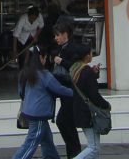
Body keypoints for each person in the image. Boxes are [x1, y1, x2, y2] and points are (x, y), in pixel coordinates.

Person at [13, 45, 73, 159]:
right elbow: (59, 89)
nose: (45, 60)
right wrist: (74, 92)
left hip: (28, 111)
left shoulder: (23, 73)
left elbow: (20, 93)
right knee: (31, 143)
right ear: (40, 57)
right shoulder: (44, 75)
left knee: (47, 140)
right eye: (45, 57)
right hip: (39, 114)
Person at [70, 44, 110, 159]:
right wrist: (106, 105)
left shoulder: (75, 69)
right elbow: (94, 95)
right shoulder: (86, 71)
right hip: (88, 113)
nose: (92, 55)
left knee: (94, 147)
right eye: (91, 53)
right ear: (87, 56)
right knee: (94, 147)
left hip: (79, 110)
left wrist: (94, 74)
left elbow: (82, 84)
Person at [52, 18, 81, 159]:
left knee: (63, 121)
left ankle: (75, 153)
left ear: (65, 34)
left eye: (58, 35)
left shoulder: (71, 48)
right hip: (65, 91)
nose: (56, 38)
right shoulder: (62, 48)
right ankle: (74, 153)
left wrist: (61, 61)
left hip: (71, 91)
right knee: (68, 123)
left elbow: (76, 67)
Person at [13, 6, 44, 71]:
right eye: (31, 18)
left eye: (35, 18)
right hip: (22, 40)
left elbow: (41, 27)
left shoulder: (39, 16)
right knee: (23, 57)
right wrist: (15, 51)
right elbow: (15, 35)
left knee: (31, 54)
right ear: (28, 15)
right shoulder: (22, 19)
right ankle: (22, 71)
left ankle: (31, 71)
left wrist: (36, 36)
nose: (33, 20)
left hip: (32, 38)